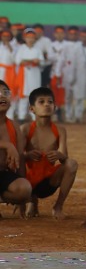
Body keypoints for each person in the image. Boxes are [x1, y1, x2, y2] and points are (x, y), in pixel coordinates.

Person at [20, 87, 78, 218]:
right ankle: (29, 201)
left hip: (49, 180)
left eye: (50, 102)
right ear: (32, 109)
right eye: (41, 102)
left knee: (72, 164)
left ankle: (58, 206)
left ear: (55, 107)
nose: (46, 104)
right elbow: (17, 157)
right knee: (19, 162)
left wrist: (59, 155)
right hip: (28, 182)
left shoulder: (60, 130)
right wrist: (27, 155)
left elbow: (64, 157)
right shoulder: (25, 129)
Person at [0, 80, 32, 213]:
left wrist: (22, 199)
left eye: (5, 93)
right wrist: (7, 145)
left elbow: (20, 159)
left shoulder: (14, 126)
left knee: (24, 188)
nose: (2, 96)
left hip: (2, 173)